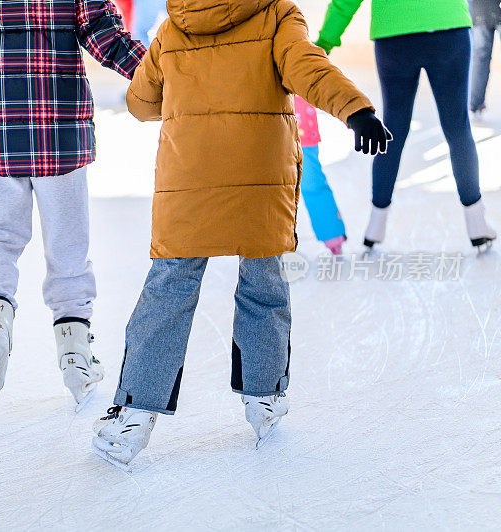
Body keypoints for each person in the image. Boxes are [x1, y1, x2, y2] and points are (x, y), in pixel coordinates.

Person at [91, 0, 390, 467]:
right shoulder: (277, 15)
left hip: (188, 176)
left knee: (169, 290)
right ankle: (264, 397)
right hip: (261, 174)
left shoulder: (174, 26)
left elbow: (142, 103)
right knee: (264, 284)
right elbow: (309, 68)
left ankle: (133, 413)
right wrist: (356, 110)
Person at [0, 0, 146, 421]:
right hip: (58, 134)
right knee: (68, 252)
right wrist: (159, 72)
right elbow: (105, 35)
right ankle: (74, 351)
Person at [316, 0, 497, 251]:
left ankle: (375, 225)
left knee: (393, 128)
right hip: (448, 26)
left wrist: (325, 42)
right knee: (458, 128)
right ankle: (477, 223)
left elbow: (345, 2)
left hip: (394, 34)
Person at [295, 96, 348, 255]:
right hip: (265, 123)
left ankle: (332, 234)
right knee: (268, 188)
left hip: (300, 124)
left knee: (311, 182)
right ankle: (269, 244)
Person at [469, 0, 501, 116]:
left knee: (480, 57)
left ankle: (475, 103)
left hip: (481, 8)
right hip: (482, 8)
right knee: (480, 57)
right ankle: (476, 102)